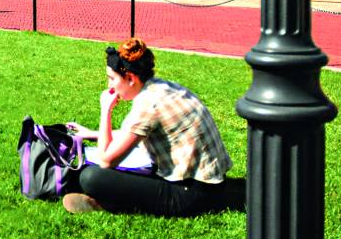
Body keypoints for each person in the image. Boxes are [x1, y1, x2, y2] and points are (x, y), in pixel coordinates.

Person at [62, 38, 235, 216]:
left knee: (91, 177)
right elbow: (132, 133)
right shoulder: (161, 87)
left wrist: (106, 110)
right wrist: (92, 134)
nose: (109, 85)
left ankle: (109, 204)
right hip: (210, 183)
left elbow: (106, 161)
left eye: (112, 79)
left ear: (130, 78)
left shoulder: (147, 105)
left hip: (190, 195)